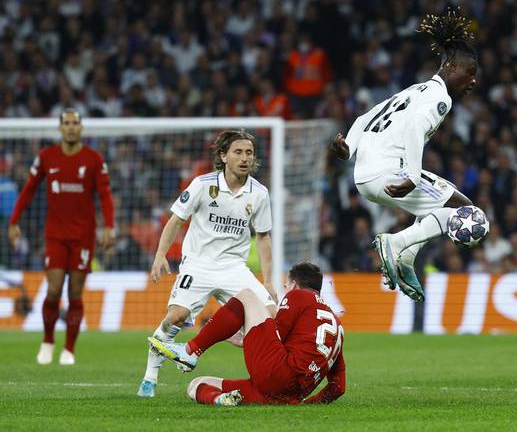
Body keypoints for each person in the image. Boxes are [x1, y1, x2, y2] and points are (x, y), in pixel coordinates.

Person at [331, 9, 478, 301]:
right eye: (469, 73)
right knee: (469, 213)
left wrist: (349, 147)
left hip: (364, 176)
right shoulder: (440, 98)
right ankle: (396, 244)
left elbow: (365, 117)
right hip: (390, 173)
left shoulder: (413, 90)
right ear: (451, 68)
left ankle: (407, 256)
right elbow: (414, 127)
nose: (472, 81)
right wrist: (412, 176)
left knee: (442, 207)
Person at [138, 129, 278, 398]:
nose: (245, 158)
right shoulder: (202, 185)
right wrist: (160, 255)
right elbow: (176, 220)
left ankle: (230, 340)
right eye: (238, 152)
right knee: (176, 317)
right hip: (198, 264)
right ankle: (150, 376)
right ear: (223, 156)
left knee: (270, 318)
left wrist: (268, 281)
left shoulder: (259, 193)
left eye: (249, 152)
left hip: (234, 268)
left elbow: (263, 237)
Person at [149, 262, 345, 406]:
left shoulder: (298, 296)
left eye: (286, 285)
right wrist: (307, 403)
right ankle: (221, 400)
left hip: (276, 374)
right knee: (196, 384)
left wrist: (243, 337)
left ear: (293, 284)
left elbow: (277, 334)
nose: (285, 289)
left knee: (247, 295)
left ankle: (190, 351)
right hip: (289, 395)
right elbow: (338, 387)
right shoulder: (337, 324)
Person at [8, 108, 115, 365]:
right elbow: (28, 190)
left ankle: (69, 349)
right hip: (55, 235)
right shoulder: (46, 157)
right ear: (60, 128)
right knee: (54, 289)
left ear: (81, 128)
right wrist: (14, 221)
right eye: (65, 123)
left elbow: (105, 195)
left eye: (74, 123)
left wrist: (109, 226)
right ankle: (47, 341)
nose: (70, 127)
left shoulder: (94, 159)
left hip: (83, 237)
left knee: (75, 293)